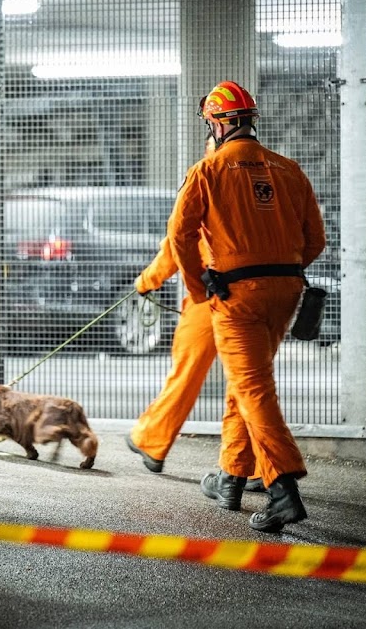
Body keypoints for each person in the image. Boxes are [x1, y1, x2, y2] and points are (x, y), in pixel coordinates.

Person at [169, 80, 326, 533]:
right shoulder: (289, 170)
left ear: (217, 123)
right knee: (247, 380)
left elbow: (180, 236)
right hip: (287, 292)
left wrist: (200, 288)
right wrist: (280, 269)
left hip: (236, 296)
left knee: (253, 388)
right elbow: (315, 239)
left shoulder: (207, 171)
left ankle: (283, 490)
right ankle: (232, 478)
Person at [126, 139, 266, 492]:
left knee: (186, 371)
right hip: (257, 296)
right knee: (248, 384)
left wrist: (146, 282)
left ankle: (152, 439)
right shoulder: (265, 184)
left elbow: (178, 243)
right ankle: (254, 467)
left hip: (211, 297)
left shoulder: (208, 179)